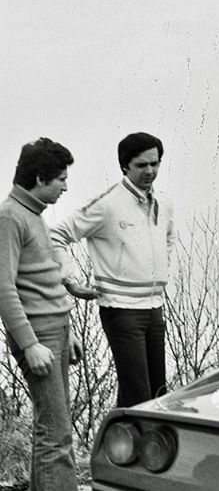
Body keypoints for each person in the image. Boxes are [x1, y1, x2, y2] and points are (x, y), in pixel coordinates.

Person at [0, 138, 101, 491]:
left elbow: (42, 279)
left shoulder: (33, 213)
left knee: (52, 427)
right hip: (38, 337)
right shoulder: (9, 218)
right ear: (39, 178)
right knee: (55, 432)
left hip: (56, 331)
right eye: (60, 179)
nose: (64, 187)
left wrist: (69, 332)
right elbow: (4, 289)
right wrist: (30, 345)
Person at [50, 132, 174, 408]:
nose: (150, 171)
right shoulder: (107, 204)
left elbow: (168, 238)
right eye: (142, 165)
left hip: (154, 308)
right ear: (125, 166)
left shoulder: (164, 203)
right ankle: (123, 449)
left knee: (159, 394)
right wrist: (69, 280)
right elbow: (57, 234)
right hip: (121, 310)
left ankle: (137, 449)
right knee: (137, 395)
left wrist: (161, 271)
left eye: (155, 163)